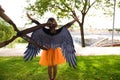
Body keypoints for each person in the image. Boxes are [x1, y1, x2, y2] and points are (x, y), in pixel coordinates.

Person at [24, 14, 78, 80]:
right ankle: (50, 79)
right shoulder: (44, 30)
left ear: (55, 22)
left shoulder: (59, 31)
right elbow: (38, 24)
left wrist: (74, 20)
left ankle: (54, 79)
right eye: (50, 21)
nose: (52, 23)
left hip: (56, 51)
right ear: (47, 23)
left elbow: (67, 25)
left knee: (55, 66)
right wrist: (30, 18)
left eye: (53, 21)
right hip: (47, 50)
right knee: (49, 66)